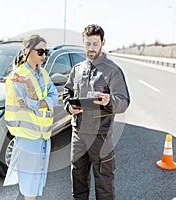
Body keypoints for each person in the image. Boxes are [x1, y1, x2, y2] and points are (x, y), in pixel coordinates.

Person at [63, 24, 130, 200]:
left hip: (101, 137)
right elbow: (66, 92)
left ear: (102, 42)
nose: (91, 48)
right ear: (83, 43)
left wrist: (109, 101)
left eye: (95, 44)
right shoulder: (77, 69)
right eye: (88, 44)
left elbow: (123, 102)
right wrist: (68, 107)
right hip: (78, 134)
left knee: (104, 182)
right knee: (78, 179)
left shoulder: (113, 71)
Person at [3, 35, 58, 200]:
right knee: (29, 187)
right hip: (28, 137)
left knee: (36, 183)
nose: (44, 56)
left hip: (42, 136)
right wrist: (31, 89)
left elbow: (55, 97)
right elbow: (30, 104)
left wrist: (41, 102)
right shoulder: (19, 76)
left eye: (46, 52)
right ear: (27, 51)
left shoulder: (44, 74)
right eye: (40, 51)